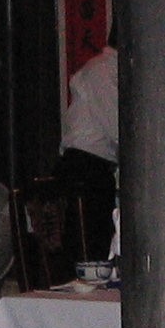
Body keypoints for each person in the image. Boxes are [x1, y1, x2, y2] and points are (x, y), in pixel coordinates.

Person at [55, 29, 118, 204]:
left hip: (93, 168)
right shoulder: (102, 70)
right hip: (85, 167)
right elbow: (117, 127)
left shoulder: (106, 69)